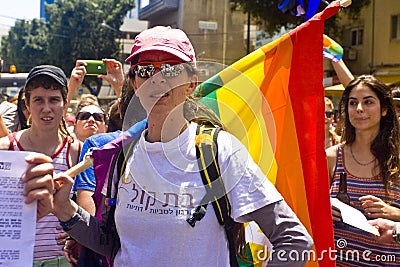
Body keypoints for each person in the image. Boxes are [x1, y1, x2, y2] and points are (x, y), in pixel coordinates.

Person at [48, 26, 313, 267]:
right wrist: (66, 211)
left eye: (171, 69)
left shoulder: (219, 151)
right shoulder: (123, 156)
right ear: (135, 84)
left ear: (192, 83)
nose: (157, 79)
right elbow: (115, 245)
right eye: (146, 70)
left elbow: (295, 240)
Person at [0, 65, 81, 267]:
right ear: (26, 104)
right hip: (13, 258)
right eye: (38, 100)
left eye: (54, 99)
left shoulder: (77, 152)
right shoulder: (5, 149)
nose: (46, 108)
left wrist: (76, 230)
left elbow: (89, 206)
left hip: (62, 260)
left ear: (64, 104)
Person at [326, 75, 400, 265]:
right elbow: (307, 209)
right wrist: (322, 210)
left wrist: (393, 213)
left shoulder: (398, 159)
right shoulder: (331, 157)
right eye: (353, 103)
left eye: (368, 102)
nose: (359, 109)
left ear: (384, 109)